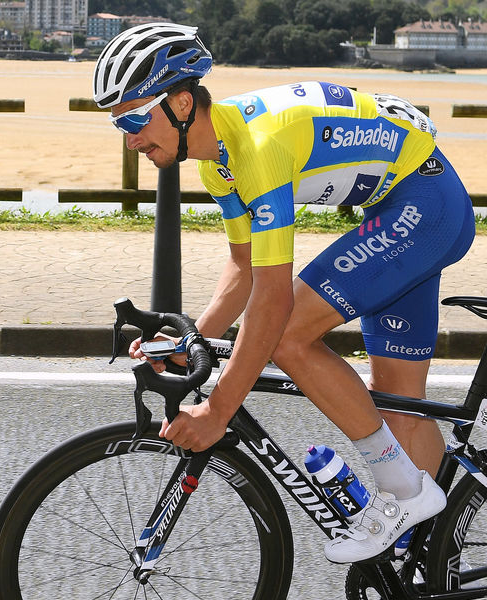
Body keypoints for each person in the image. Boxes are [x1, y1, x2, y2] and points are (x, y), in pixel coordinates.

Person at [94, 22, 475, 563]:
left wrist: (218, 410)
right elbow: (243, 267)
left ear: (181, 104)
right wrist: (192, 342)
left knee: (289, 336)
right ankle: (433, 566)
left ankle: (404, 492)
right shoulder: (220, 164)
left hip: (425, 207)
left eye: (135, 119)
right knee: (400, 405)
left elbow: (272, 300)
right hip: (408, 204)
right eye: (120, 125)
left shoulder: (258, 149)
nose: (131, 139)